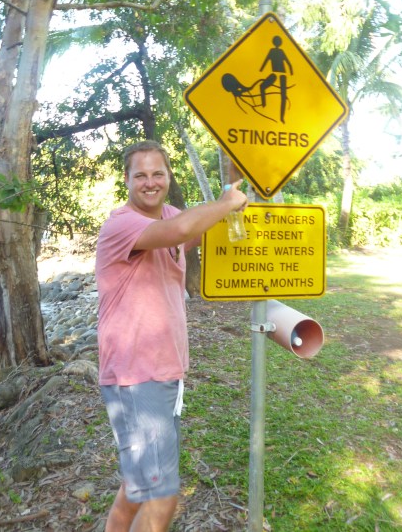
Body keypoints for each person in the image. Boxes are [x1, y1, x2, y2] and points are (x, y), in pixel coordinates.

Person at [96, 139, 248, 532]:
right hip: (136, 375)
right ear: (126, 180)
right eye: (141, 175)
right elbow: (180, 229)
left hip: (163, 370)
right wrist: (226, 203)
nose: (150, 182)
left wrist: (229, 203)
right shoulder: (122, 224)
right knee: (161, 496)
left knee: (137, 489)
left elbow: (190, 231)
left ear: (168, 176)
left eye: (158, 173)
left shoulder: (169, 214)